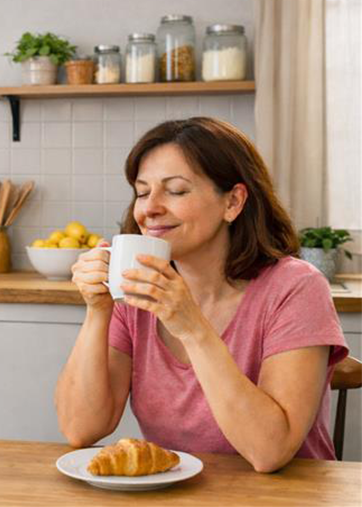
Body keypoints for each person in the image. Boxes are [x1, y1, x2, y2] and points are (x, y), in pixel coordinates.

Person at [55, 117, 348, 473]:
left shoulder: (295, 288)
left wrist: (192, 328)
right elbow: (81, 428)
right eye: (143, 191)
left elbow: (270, 451)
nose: (149, 208)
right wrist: (97, 310)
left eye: (176, 190)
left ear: (233, 202)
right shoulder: (136, 291)